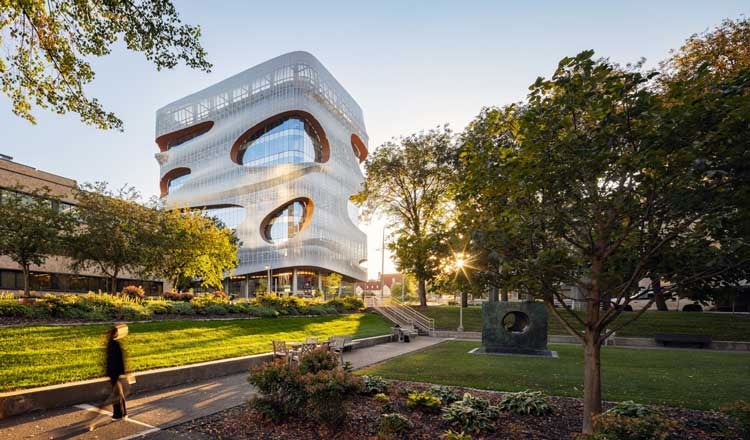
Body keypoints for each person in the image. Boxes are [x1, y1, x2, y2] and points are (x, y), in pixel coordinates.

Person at [90, 324, 128, 430]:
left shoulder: (110, 344)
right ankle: (120, 414)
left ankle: (120, 414)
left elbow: (108, 360)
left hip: (112, 373)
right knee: (117, 394)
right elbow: (120, 360)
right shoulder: (116, 344)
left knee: (118, 393)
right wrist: (124, 373)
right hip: (116, 373)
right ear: (116, 333)